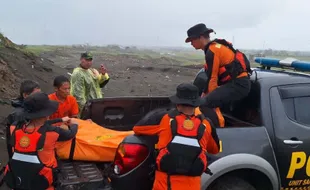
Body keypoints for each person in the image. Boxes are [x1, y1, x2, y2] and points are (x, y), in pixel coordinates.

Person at [133, 83, 220, 190]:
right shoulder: (206, 124)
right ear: (196, 105)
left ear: (177, 103)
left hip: (164, 185)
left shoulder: (164, 119)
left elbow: (137, 129)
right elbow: (215, 149)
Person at [3, 92, 78, 190]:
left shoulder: (15, 128)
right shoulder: (52, 133)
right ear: (46, 114)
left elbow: (40, 124)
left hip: (18, 177)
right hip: (42, 180)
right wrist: (75, 125)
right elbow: (70, 134)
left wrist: (60, 120)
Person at [185, 23, 251, 109]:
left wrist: (208, 98)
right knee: (207, 100)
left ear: (201, 37)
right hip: (236, 83)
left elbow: (213, 79)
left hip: (238, 85)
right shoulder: (215, 47)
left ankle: (215, 122)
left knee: (205, 105)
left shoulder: (212, 51)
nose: (191, 44)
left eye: (192, 40)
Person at [5, 80, 41, 159]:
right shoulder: (19, 114)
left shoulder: (30, 109)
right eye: (36, 95)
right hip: (20, 155)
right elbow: (14, 141)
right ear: (25, 95)